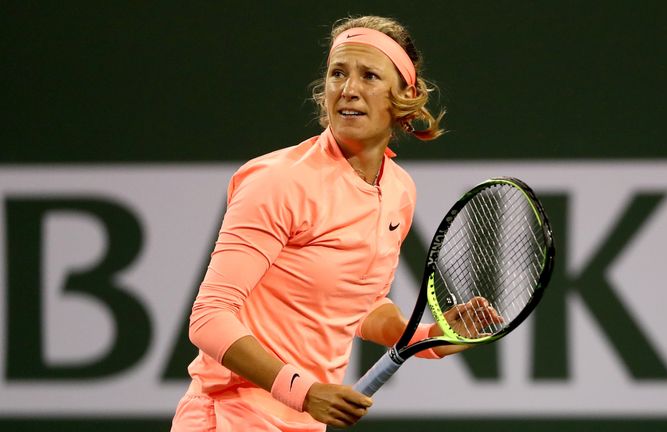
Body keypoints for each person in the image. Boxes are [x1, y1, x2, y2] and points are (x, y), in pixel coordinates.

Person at [171, 15, 482, 431]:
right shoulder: (278, 181)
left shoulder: (398, 191)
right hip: (230, 416)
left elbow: (360, 306)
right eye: (338, 74)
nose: (349, 89)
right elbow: (209, 317)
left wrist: (432, 338)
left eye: (369, 75)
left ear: (404, 95)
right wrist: (305, 392)